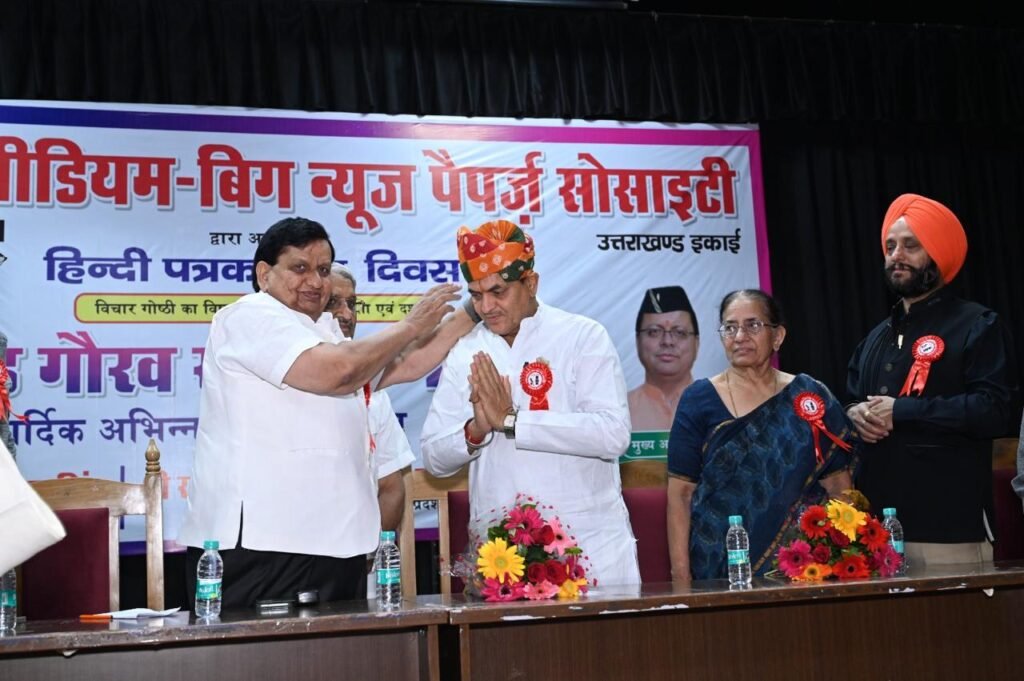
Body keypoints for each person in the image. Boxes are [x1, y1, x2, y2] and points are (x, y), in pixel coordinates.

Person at [178, 216, 473, 609]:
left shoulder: (324, 332)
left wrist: (476, 306)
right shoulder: (247, 315)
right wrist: (409, 326)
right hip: (264, 545)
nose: (315, 281)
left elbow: (408, 363)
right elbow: (340, 372)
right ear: (264, 274)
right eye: (299, 268)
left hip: (335, 542)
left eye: (322, 270)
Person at [420, 219, 640, 587]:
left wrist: (512, 422)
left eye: (498, 291)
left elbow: (612, 433)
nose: (486, 306)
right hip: (501, 559)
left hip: (588, 549)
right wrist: (476, 430)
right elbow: (433, 458)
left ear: (531, 283)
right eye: (476, 295)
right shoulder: (467, 351)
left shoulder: (582, 336)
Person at [846, 194, 1019, 567]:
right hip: (874, 535)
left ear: (938, 253)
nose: (897, 255)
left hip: (948, 531)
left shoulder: (977, 325)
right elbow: (853, 401)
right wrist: (855, 414)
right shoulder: (875, 337)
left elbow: (995, 412)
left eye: (910, 245)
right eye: (890, 246)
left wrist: (902, 411)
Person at [667, 289, 854, 582]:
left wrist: (846, 559)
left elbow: (838, 486)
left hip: (805, 565)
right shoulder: (698, 399)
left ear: (777, 336)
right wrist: (680, 576)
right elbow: (680, 494)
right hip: (718, 563)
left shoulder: (808, 395)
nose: (740, 336)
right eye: (730, 327)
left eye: (752, 325)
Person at [326, 263, 414, 532]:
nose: (347, 314)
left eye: (352, 304)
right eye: (333, 303)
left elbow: (390, 487)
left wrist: (372, 550)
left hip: (363, 548)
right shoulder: (288, 382)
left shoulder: (373, 391)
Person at [627, 286, 700, 431]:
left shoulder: (721, 406)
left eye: (679, 332)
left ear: (696, 343)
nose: (667, 341)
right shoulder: (619, 411)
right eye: (654, 332)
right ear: (637, 341)